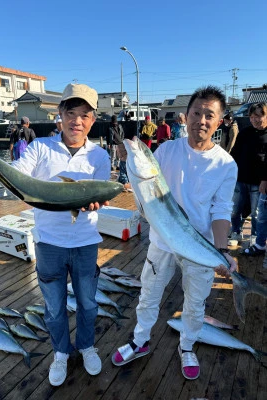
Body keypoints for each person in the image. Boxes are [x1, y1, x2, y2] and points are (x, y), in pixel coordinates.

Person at [0, 83, 111, 386]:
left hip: (87, 242)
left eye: (85, 115)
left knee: (88, 303)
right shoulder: (40, 147)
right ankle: (61, 351)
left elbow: (100, 192)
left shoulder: (100, 156)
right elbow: (18, 177)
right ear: (59, 114)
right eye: (70, 113)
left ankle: (86, 345)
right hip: (48, 243)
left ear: (92, 119)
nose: (77, 121)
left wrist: (98, 200)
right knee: (53, 307)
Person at [111, 85, 237, 380]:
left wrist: (223, 251)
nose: (201, 121)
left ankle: (188, 346)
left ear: (219, 121)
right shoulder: (166, 150)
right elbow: (145, 187)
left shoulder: (226, 164)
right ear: (186, 116)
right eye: (196, 113)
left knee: (195, 303)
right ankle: (140, 340)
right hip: (161, 242)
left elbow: (221, 211)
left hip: (200, 246)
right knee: (149, 295)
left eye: (209, 115)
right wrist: (128, 155)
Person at [229, 102, 267, 243]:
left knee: (256, 213)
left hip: (259, 183)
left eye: (258, 116)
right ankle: (236, 232)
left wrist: (265, 180)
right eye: (251, 117)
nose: (254, 120)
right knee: (234, 210)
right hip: (240, 179)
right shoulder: (245, 132)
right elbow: (234, 154)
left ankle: (255, 236)